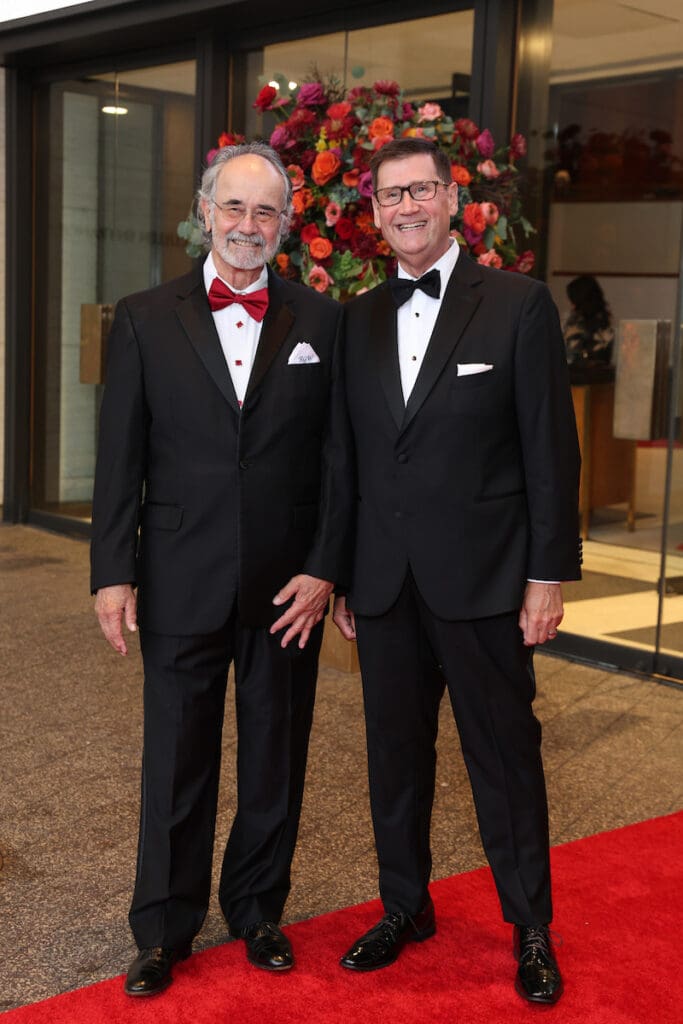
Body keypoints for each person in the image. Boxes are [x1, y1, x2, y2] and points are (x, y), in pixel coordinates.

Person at [91, 141, 351, 996]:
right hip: (177, 573)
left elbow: (336, 460)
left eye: (265, 211)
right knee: (175, 757)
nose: (248, 225)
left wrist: (325, 568)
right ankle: (163, 927)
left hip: (286, 588)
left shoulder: (322, 320)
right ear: (204, 211)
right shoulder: (140, 316)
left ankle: (258, 911)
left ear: (286, 223)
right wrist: (110, 573)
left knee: (275, 753)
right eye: (233, 208)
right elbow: (118, 456)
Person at [333, 138, 581, 1006]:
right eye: (390, 195)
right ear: (373, 211)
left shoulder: (516, 306)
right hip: (384, 586)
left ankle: (531, 929)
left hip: (485, 584)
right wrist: (340, 575)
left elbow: (551, 452)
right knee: (393, 759)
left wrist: (546, 576)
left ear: (451, 200)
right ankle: (405, 906)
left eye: (421, 190)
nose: (406, 207)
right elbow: (347, 461)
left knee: (504, 760)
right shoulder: (355, 318)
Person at [563, 274, 614, 366]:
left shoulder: (577, 322)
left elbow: (569, 356)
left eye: (573, 301)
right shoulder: (605, 321)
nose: (572, 305)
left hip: (580, 374)